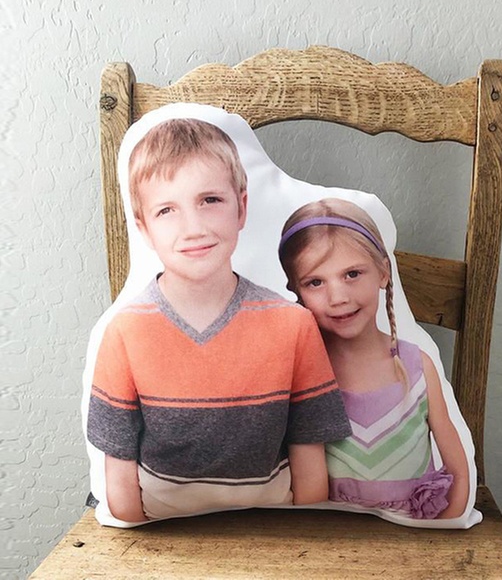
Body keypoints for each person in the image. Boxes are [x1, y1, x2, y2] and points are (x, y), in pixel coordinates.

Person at [87, 120, 351, 523]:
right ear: (144, 229)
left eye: (210, 200)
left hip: (274, 529)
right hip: (163, 538)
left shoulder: (294, 325)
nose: (193, 228)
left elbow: (310, 457)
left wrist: (299, 540)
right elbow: (119, 473)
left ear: (241, 208)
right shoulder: (125, 331)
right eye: (166, 210)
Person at [278, 198, 469, 519]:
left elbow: (459, 473)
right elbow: (310, 496)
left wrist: (440, 539)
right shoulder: (303, 377)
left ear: (383, 271)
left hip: (418, 538)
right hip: (337, 538)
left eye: (352, 274)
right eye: (315, 282)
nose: (338, 297)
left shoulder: (418, 366)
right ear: (296, 289)